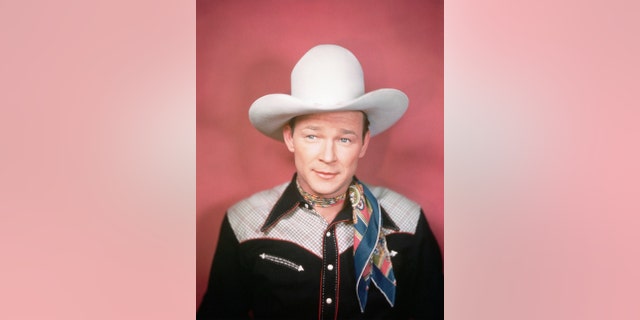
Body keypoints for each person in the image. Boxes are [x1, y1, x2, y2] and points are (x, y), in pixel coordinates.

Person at [197, 44, 443, 319]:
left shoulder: (408, 221)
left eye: (345, 138)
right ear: (290, 138)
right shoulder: (244, 222)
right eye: (312, 136)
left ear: (363, 143)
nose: (328, 156)